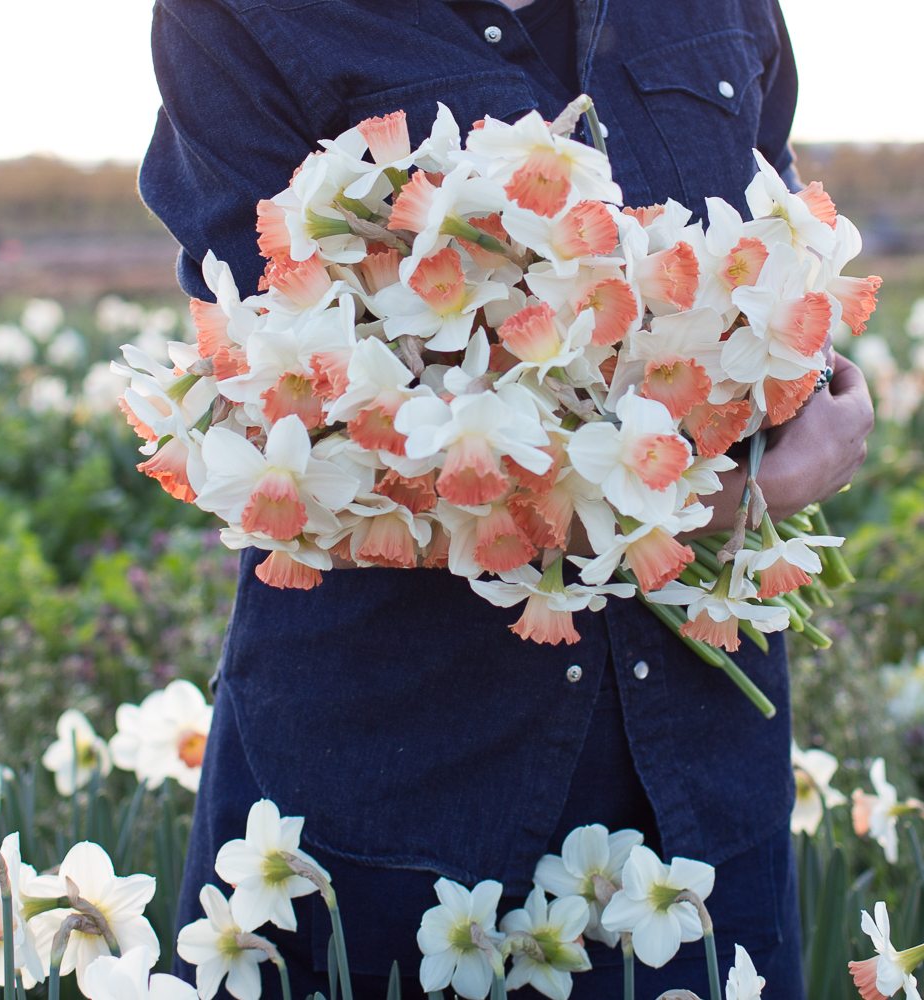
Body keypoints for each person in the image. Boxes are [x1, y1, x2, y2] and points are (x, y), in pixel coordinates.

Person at [139, 0, 875, 996]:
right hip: (399, 762)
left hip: (698, 758)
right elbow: (290, 400)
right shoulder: (239, 13)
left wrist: (813, 402)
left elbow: (780, 257)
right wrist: (720, 502)